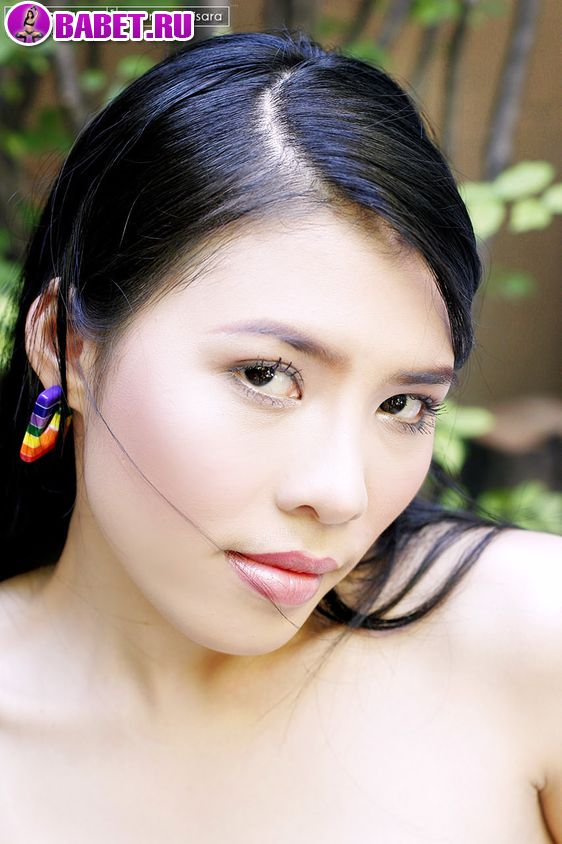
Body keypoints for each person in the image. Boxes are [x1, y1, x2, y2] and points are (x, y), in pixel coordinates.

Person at [0, 30, 560, 842]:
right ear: (69, 347)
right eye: (266, 376)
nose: (340, 493)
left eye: (404, 404)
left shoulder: (528, 639)